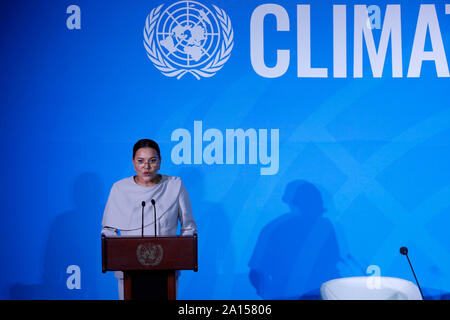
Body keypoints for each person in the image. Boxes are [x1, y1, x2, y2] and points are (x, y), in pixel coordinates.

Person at [101, 139, 197, 299]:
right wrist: (122, 254)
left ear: (160, 162)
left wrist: (179, 253)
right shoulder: (119, 189)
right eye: (141, 161)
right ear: (133, 162)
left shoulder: (174, 186)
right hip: (129, 269)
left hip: (166, 268)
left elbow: (188, 227)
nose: (146, 166)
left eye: (152, 161)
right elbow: (108, 231)